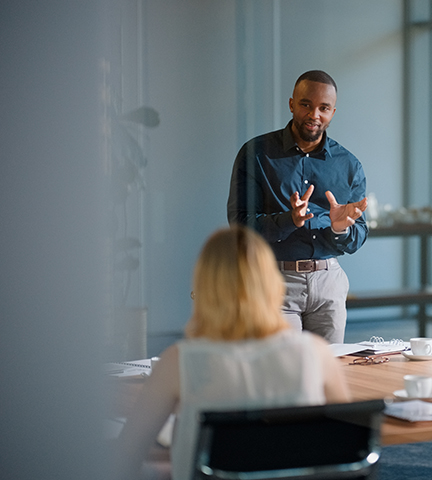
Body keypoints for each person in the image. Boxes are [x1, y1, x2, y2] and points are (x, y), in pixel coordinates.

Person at [114, 226, 351, 480]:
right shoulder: (317, 354)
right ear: (272, 283)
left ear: (205, 288)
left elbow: (126, 455)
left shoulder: (178, 361)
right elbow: (349, 444)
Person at [227, 70, 368, 343]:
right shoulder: (256, 153)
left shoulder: (348, 165)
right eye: (306, 105)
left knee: (328, 372)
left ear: (333, 112)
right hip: (275, 281)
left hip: (329, 281)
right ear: (292, 104)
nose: (314, 115)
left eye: (323, 108)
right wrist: (289, 220)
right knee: (284, 373)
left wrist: (340, 230)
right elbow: (240, 223)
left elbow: (359, 234)